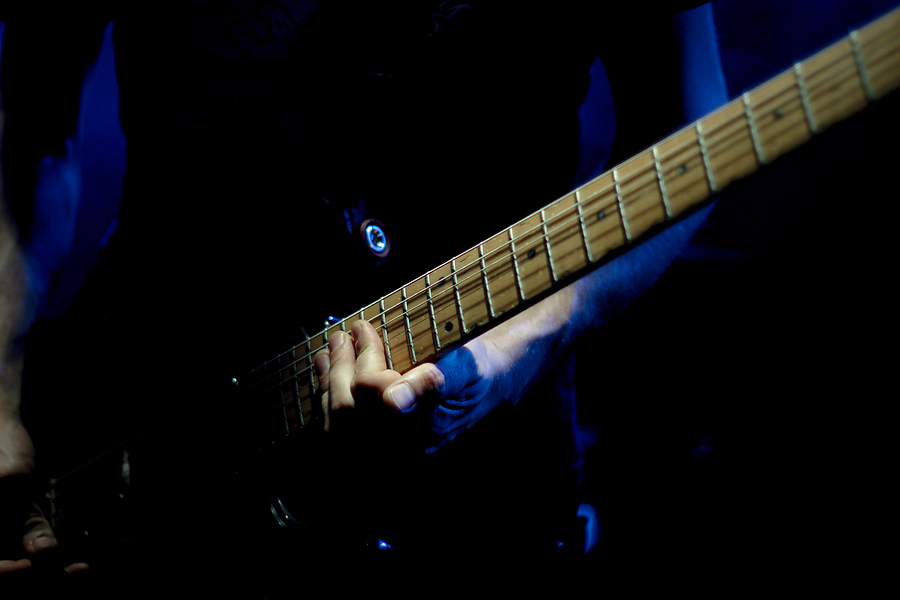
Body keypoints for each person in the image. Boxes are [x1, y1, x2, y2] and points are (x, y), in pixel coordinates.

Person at [1, 1, 728, 593]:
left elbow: (690, 133)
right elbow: (27, 130)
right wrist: (1, 400)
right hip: (129, 419)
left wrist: (518, 346)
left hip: (471, 474)